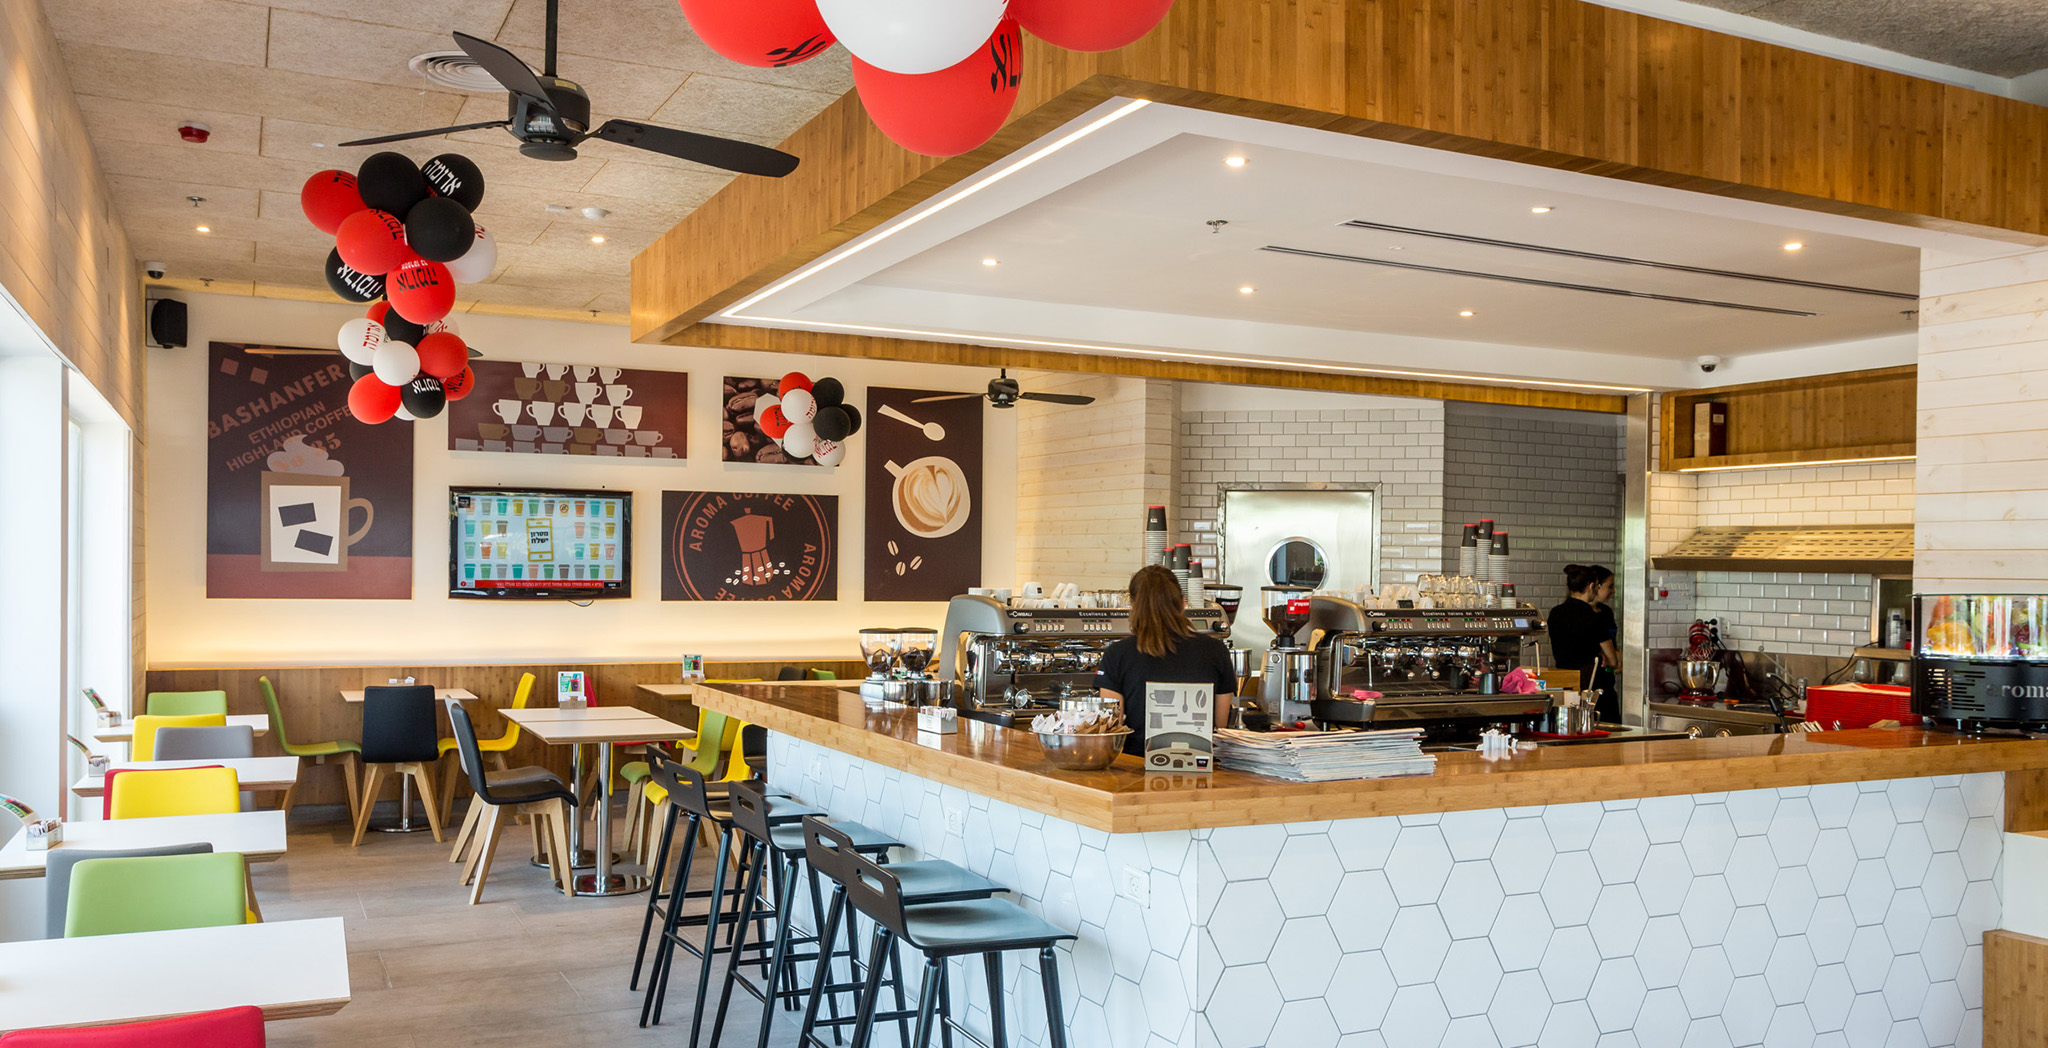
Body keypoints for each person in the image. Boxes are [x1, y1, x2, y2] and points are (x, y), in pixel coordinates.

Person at [1095, 565, 1237, 756]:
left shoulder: (1117, 654)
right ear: (1182, 602)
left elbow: (1113, 728)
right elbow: (1220, 726)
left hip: (1135, 768)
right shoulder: (1216, 650)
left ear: (1133, 605)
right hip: (1201, 766)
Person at [1548, 564, 1620, 721]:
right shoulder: (1593, 617)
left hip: (1566, 686)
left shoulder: (1556, 613)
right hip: (1594, 688)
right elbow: (1613, 660)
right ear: (1591, 586)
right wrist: (1607, 656)